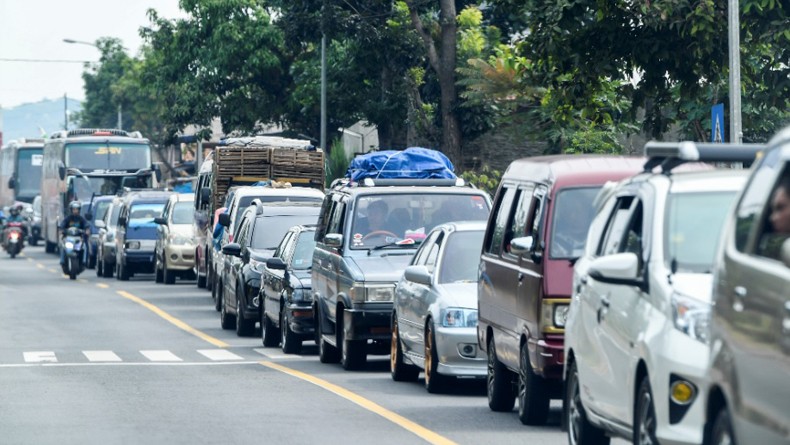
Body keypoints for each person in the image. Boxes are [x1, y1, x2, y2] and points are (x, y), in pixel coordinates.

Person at [59, 201, 90, 266]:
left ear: (79, 210)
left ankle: (85, 261)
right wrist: (61, 229)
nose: (75, 211)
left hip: (78, 238)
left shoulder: (81, 219)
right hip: (69, 238)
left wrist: (86, 230)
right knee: (62, 246)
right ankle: (62, 260)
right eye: (74, 209)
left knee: (85, 246)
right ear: (71, 210)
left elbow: (86, 224)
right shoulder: (68, 218)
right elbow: (63, 224)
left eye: (77, 209)